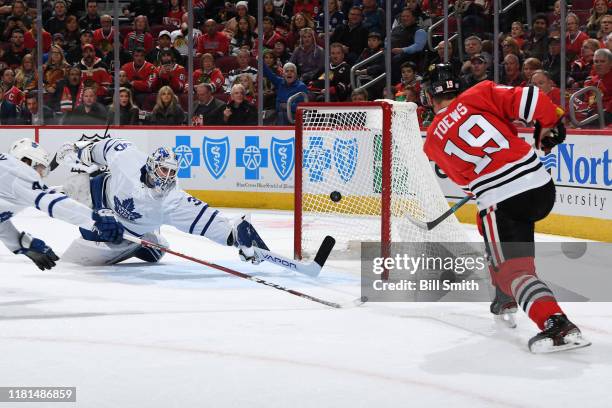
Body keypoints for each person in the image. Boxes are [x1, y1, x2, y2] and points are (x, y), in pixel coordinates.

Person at [421, 63, 589, 353]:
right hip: (540, 187)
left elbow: (468, 185)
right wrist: (550, 124)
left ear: (429, 96)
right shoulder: (480, 92)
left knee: (515, 269)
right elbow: (534, 100)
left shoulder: (433, 139)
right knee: (490, 228)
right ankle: (504, 296)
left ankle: (556, 323)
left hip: (502, 201)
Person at [55, 139, 267, 266]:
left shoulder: (173, 201)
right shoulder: (127, 156)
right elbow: (97, 150)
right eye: (163, 169)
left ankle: (145, 243)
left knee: (94, 257)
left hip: (125, 233)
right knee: (73, 185)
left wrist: (236, 236)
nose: (167, 177)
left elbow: (209, 222)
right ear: (150, 165)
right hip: (98, 196)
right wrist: (80, 150)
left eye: (172, 172)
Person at [0, 138, 124, 270]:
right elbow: (51, 202)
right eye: (41, 169)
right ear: (26, 161)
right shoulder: (17, 172)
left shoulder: (6, 178)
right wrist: (95, 220)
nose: (41, 177)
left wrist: (19, 242)